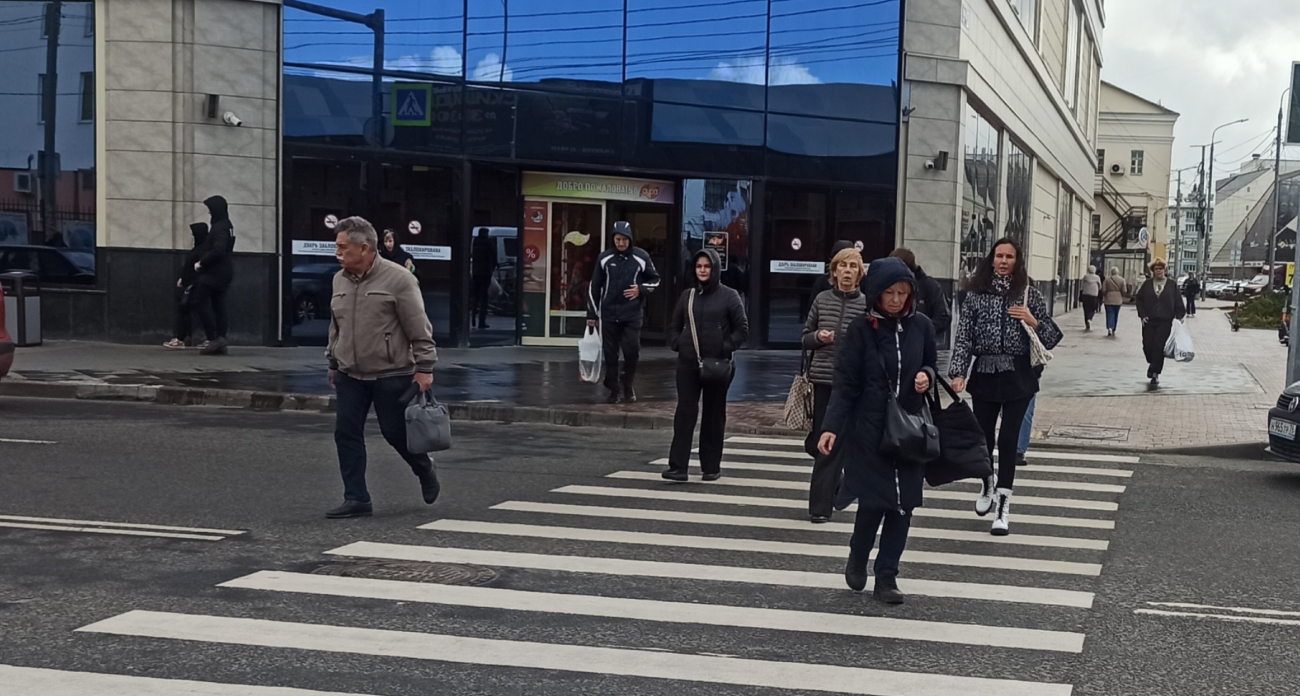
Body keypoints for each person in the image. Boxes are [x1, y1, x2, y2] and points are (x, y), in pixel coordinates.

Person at [817, 257, 936, 605]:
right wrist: (830, 427)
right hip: (869, 430)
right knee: (872, 503)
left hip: (910, 430)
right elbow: (845, 384)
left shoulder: (922, 326)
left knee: (903, 507)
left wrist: (926, 376)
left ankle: (887, 576)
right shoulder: (860, 330)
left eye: (903, 293)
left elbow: (930, 363)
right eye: (889, 292)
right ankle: (858, 555)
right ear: (877, 293)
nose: (896, 299)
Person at [325, 216, 440, 519]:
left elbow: (419, 326)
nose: (337, 253)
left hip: (392, 371)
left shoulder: (399, 279)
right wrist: (333, 361)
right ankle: (356, 498)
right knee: (346, 432)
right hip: (350, 373)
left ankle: (424, 467)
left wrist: (425, 367)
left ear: (364, 248)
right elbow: (336, 326)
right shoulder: (338, 280)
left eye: (343, 247)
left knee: (395, 432)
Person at [950, 238, 1062, 536]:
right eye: (999, 256)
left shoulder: (1029, 294)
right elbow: (964, 336)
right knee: (984, 438)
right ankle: (987, 483)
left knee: (1009, 440)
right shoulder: (975, 295)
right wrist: (958, 372)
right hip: (985, 373)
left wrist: (1033, 320)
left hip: (1019, 375)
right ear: (992, 260)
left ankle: (1003, 505)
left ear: (1017, 261)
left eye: (1009, 257)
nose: (1003, 261)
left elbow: (1052, 338)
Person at [662, 248, 748, 482]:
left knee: (713, 415)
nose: (702, 270)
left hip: (717, 365)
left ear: (715, 268)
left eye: (707, 266)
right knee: (685, 413)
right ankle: (678, 467)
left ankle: (711, 467)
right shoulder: (687, 296)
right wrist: (678, 344)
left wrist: (724, 348)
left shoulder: (729, 296)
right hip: (688, 363)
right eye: (699, 266)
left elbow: (742, 329)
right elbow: (674, 325)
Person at [801, 247, 868, 522]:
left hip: (852, 385)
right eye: (843, 266)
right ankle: (824, 501)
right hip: (823, 380)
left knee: (842, 444)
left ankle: (830, 495)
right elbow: (805, 337)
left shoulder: (866, 305)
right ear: (835, 271)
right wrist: (819, 337)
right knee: (820, 444)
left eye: (853, 267)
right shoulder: (822, 299)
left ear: (859, 273)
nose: (847, 272)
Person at [588, 221, 661, 404]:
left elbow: (655, 280)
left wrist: (640, 289)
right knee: (610, 354)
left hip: (632, 314)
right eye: (617, 239)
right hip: (609, 314)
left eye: (624, 239)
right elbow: (594, 286)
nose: (621, 243)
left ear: (630, 239)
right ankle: (613, 390)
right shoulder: (604, 258)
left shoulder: (641, 256)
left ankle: (627, 382)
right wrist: (592, 314)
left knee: (632, 351)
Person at [191, 196, 236, 355]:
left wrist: (202, 262)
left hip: (214, 272)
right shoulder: (227, 225)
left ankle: (214, 338)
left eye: (210, 210)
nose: (210, 213)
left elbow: (219, 249)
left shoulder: (219, 227)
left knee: (199, 301)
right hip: (224, 271)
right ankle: (220, 339)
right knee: (219, 305)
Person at [1135, 258, 1186, 386]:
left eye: (1161, 269)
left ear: (1165, 270)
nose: (1158, 271)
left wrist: (1180, 315)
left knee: (1159, 346)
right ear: (1153, 271)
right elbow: (1139, 300)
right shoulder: (1147, 284)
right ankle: (1152, 363)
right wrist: (1142, 315)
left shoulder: (1171, 285)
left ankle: (1155, 372)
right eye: (1156, 269)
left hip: (1165, 321)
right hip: (1149, 320)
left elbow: (1177, 300)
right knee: (1147, 346)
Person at [889, 247, 951, 344]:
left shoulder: (929, 286)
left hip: (921, 344)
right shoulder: (889, 284)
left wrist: (922, 333)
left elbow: (943, 317)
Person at [164, 223, 209, 349]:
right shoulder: (202, 248)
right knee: (190, 311)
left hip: (195, 284)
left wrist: (186, 279)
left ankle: (182, 338)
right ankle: (183, 338)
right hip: (192, 283)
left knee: (194, 311)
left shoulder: (201, 250)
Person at [471, 228, 497, 329]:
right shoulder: (489, 243)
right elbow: (494, 257)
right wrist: (492, 269)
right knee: (484, 298)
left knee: (475, 296)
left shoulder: (475, 242)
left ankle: (473, 318)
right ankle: (482, 321)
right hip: (485, 273)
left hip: (476, 272)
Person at [1102, 267, 1126, 337]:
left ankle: (1109, 327)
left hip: (1108, 299)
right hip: (1118, 299)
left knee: (1109, 314)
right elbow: (1124, 290)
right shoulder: (1122, 280)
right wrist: (1121, 295)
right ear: (1118, 272)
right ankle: (1114, 328)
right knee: (1116, 314)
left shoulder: (1107, 280)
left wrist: (1106, 295)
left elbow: (1103, 290)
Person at [1079, 265, 1103, 331]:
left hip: (1085, 295)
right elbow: (1100, 286)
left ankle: (1086, 321)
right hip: (1094, 295)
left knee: (1086, 309)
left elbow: (1081, 285)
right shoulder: (1097, 278)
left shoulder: (1085, 277)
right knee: (1093, 308)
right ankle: (1090, 318)